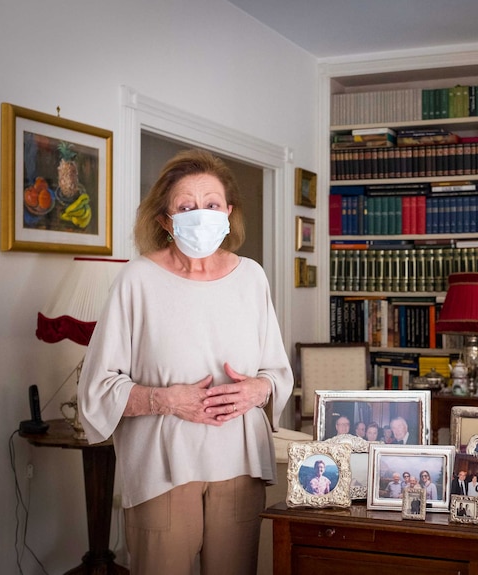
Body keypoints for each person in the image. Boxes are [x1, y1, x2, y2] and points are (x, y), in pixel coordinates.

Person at [78, 149, 292, 575]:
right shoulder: (137, 279)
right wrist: (165, 400)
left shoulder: (252, 276)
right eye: (186, 206)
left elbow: (275, 371)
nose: (201, 214)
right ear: (165, 220)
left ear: (228, 213)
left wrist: (257, 389)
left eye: (211, 204)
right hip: (163, 466)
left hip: (240, 464)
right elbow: (97, 387)